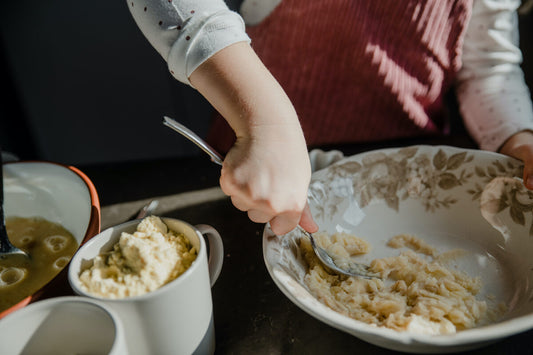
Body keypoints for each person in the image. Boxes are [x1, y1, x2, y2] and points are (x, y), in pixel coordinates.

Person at [127, 0, 533, 236]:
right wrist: (268, 125)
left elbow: (488, 69)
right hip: (260, 175)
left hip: (411, 182)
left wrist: (519, 139)